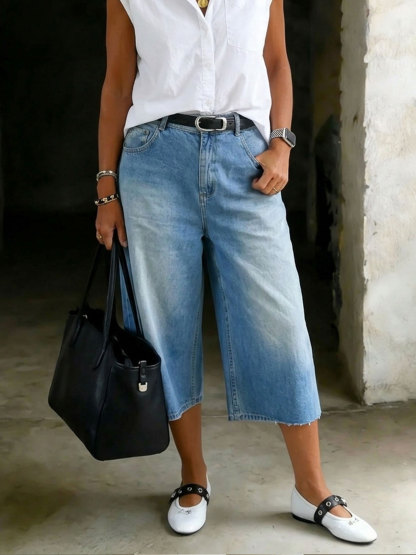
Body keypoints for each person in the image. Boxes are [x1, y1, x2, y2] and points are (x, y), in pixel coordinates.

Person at [94, 0, 377, 544]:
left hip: (246, 158)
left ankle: (311, 488)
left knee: (281, 322)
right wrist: (106, 188)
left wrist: (282, 142)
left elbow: (276, 62)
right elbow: (118, 83)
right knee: (165, 326)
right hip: (154, 163)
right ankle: (193, 476)